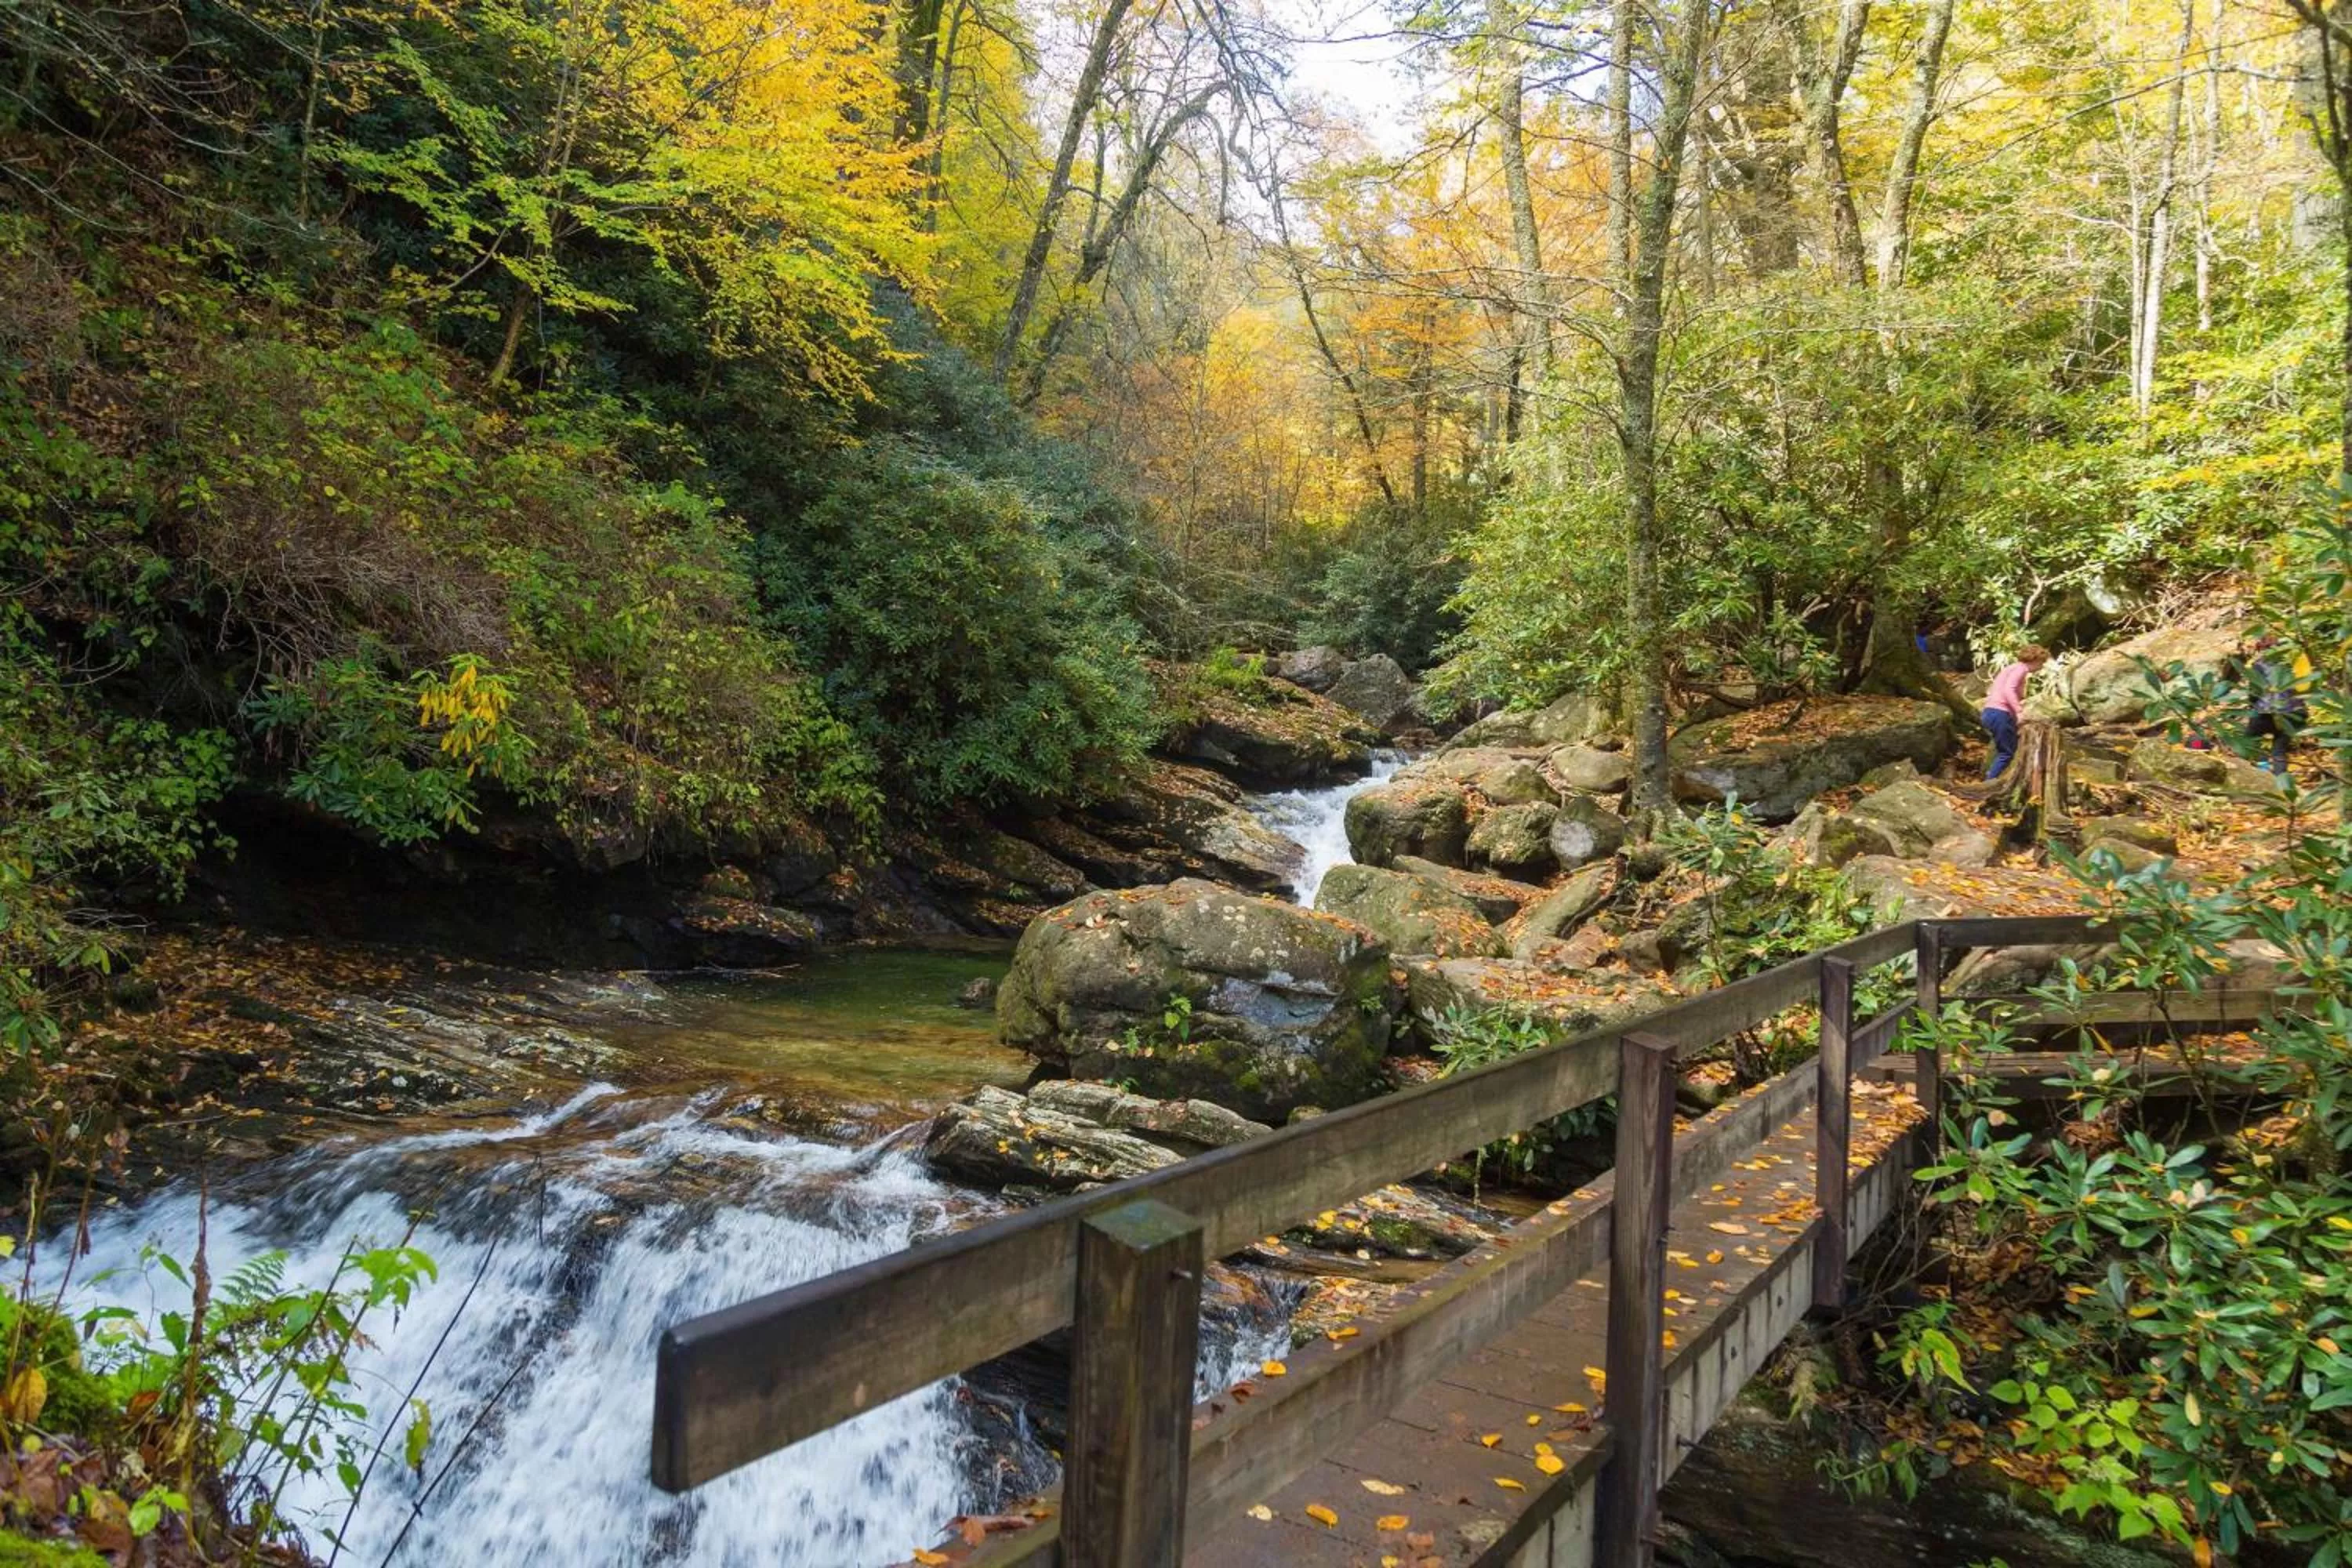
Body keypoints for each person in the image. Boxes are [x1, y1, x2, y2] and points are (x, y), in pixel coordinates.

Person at [1981, 644, 2049, 781]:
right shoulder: (2021, 669)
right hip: (1999, 713)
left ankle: (1994, 776)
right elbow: (2008, 690)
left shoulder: (2012, 668)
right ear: (2035, 660)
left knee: (2006, 747)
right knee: (2007, 753)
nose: (2042, 666)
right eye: (2042, 662)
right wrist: (2019, 712)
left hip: (1991, 712)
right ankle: (1989, 782)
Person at [2245, 636, 2307, 776]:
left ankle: (2264, 774)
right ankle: (2282, 783)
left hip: (2266, 711)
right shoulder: (2289, 664)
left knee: (2250, 739)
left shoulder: (2259, 664)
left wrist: (2251, 704)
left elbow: (2255, 691)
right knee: (2279, 750)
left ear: (2262, 649)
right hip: (2294, 712)